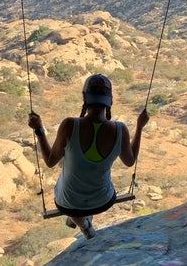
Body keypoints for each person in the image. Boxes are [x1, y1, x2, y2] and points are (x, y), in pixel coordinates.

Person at [27, 74, 150, 239]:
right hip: (102, 201)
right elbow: (130, 161)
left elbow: (50, 161)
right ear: (110, 101)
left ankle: (83, 225)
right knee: (80, 191)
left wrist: (39, 130)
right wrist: (139, 127)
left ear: (84, 97)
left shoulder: (70, 125)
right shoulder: (120, 129)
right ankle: (80, 219)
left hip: (68, 203)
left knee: (64, 171)